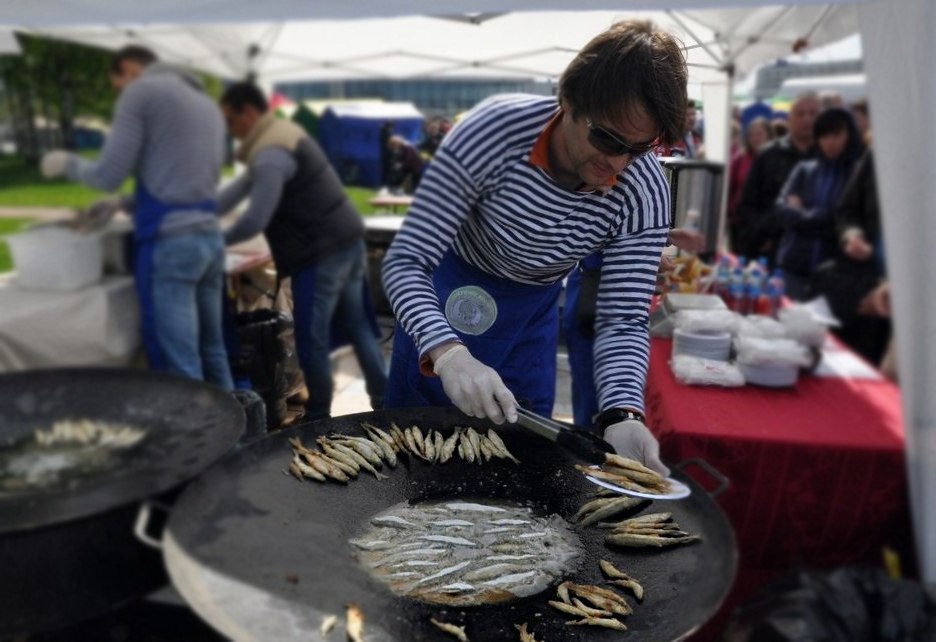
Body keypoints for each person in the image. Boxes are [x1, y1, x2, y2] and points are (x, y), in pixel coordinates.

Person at [381, 20, 688, 476]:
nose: (618, 164)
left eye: (641, 148)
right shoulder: (493, 133)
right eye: (608, 139)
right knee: (418, 458)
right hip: (448, 293)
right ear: (569, 102)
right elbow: (406, 262)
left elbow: (622, 318)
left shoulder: (643, 190)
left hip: (532, 316)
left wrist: (622, 412)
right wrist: (446, 351)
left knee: (521, 463)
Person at [40, 46, 232, 389]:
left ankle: (203, 441)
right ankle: (242, 434)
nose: (121, 93)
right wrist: (123, 202)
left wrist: (66, 163)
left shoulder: (142, 92)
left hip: (174, 245)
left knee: (182, 363)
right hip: (209, 241)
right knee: (213, 350)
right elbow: (183, 183)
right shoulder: (206, 105)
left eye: (118, 84)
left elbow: (107, 174)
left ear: (129, 69)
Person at [216, 82, 388, 422]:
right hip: (346, 240)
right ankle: (386, 401)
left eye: (231, 121)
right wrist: (201, 211)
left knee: (313, 339)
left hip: (322, 251)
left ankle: (318, 416)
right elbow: (237, 191)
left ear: (248, 113)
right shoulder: (278, 136)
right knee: (357, 326)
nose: (230, 131)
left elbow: (255, 218)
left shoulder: (270, 151)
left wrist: (212, 240)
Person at [774, 107, 865, 300]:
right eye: (823, 135)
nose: (829, 142)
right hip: (794, 266)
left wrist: (803, 212)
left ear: (850, 135)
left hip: (836, 269)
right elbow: (781, 210)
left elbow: (842, 218)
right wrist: (819, 216)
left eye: (836, 134)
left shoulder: (857, 174)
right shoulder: (806, 170)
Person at [736, 92, 821, 265]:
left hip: (817, 252)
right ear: (790, 119)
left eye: (813, 114)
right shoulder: (769, 154)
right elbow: (748, 204)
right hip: (772, 251)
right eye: (801, 114)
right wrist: (761, 236)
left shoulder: (830, 156)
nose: (807, 119)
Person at [727, 117, 774, 252]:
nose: (755, 138)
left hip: (767, 225)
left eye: (759, 134)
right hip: (740, 222)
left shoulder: (776, 159)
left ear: (769, 135)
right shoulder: (741, 159)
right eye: (751, 134)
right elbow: (730, 188)